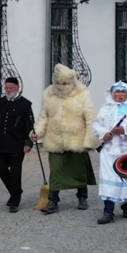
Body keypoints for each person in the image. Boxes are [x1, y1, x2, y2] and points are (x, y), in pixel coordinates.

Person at [34, 64, 98, 214]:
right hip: (55, 139)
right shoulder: (48, 94)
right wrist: (37, 132)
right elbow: (44, 116)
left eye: (64, 83)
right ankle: (53, 201)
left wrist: (90, 140)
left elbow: (91, 118)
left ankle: (82, 197)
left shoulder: (83, 94)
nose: (61, 86)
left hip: (76, 139)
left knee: (79, 171)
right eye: (58, 83)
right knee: (55, 171)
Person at [91, 82, 127, 224]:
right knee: (108, 182)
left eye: (123, 92)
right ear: (112, 94)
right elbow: (96, 125)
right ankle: (108, 211)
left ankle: (126, 207)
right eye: (117, 92)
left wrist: (124, 130)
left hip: (126, 152)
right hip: (108, 151)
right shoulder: (105, 108)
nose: (120, 95)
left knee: (125, 179)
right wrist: (103, 133)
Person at [0, 77, 35, 213]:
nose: (8, 90)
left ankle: (14, 201)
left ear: (17, 88)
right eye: (6, 88)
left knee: (15, 173)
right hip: (3, 142)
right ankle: (16, 191)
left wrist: (28, 142)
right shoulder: (1, 102)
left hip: (17, 143)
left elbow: (30, 125)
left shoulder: (25, 104)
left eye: (11, 88)